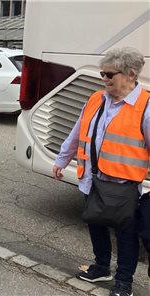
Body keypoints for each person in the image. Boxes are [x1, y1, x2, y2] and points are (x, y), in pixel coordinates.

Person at [52, 47, 148, 296]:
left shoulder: (145, 107)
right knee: (95, 223)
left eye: (108, 74)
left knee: (125, 235)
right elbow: (77, 132)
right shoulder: (96, 99)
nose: (103, 79)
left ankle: (123, 282)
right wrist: (62, 159)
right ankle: (101, 267)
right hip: (90, 179)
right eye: (102, 74)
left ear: (130, 74)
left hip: (122, 185)